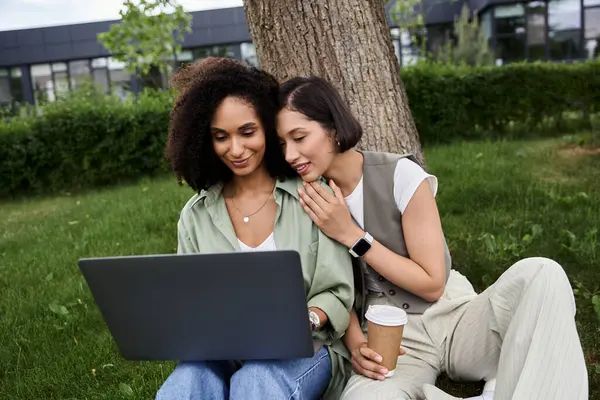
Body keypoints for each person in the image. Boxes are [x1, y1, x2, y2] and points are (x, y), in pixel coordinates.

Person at [275, 75, 589, 400]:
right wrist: (356, 344)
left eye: (299, 137)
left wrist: (352, 236)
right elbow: (328, 282)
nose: (290, 154)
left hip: (454, 316)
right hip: (390, 339)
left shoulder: (401, 175)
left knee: (543, 273)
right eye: (282, 143)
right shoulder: (308, 198)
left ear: (334, 129)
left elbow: (432, 282)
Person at [155, 59, 355, 400]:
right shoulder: (196, 215)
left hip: (307, 350)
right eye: (221, 137)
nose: (235, 149)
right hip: (224, 353)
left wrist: (302, 320)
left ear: (266, 127)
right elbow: (190, 302)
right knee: (184, 384)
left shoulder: (311, 197)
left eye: (247, 132)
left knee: (256, 380)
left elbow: (337, 293)